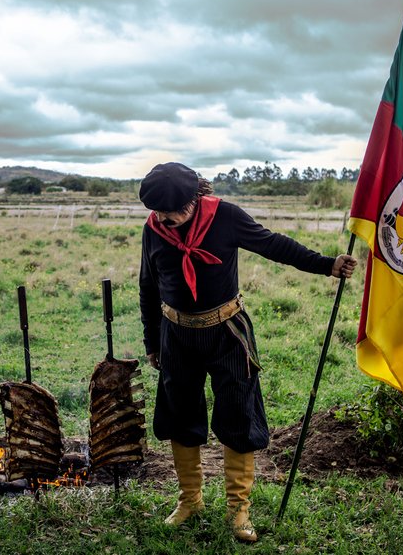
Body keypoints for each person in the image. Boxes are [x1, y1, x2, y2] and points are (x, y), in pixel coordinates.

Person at [138, 162, 357, 542]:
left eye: (173, 211)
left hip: (227, 333)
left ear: (195, 198)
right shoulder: (154, 230)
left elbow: (273, 244)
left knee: (238, 415)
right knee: (180, 416)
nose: (166, 218)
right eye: (159, 212)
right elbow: (148, 285)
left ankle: (238, 510)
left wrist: (327, 265)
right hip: (177, 336)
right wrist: (152, 342)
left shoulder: (224, 216)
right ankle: (190, 500)